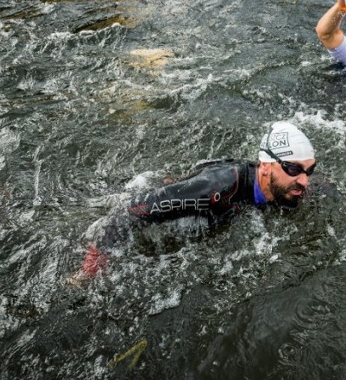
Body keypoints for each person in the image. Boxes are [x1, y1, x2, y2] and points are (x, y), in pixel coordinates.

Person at [69, 121, 317, 284]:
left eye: (310, 170)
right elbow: (125, 215)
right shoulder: (215, 189)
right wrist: (86, 275)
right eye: (294, 169)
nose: (304, 181)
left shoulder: (286, 186)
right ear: (265, 166)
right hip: (164, 194)